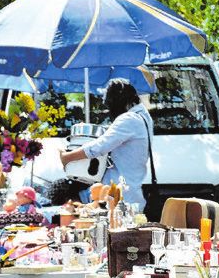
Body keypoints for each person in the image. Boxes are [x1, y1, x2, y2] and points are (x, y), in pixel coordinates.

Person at [60, 78, 152, 209]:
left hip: (121, 197)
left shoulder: (129, 119)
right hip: (130, 193)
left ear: (118, 102)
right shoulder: (144, 117)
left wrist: (68, 157)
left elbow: (99, 147)